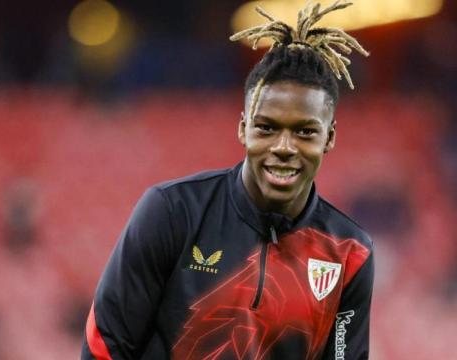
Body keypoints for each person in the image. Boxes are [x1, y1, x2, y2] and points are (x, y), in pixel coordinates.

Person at [82, 1, 374, 359]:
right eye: (266, 128)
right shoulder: (173, 212)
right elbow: (104, 347)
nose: (284, 147)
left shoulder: (350, 253)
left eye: (304, 132)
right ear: (243, 129)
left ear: (329, 138)